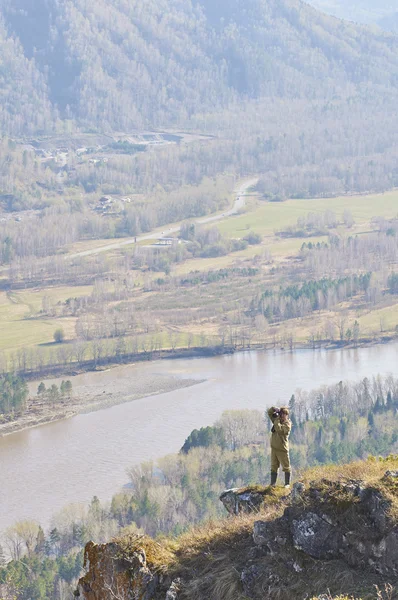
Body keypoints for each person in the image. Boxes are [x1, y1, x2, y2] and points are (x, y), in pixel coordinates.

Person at [267, 406, 292, 488]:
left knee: (286, 467)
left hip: (282, 449)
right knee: (274, 466)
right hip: (274, 448)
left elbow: (280, 430)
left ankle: (287, 483)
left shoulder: (287, 424)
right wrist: (274, 409)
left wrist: (277, 419)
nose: (284, 416)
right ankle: (272, 484)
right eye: (282, 414)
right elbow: (269, 413)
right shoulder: (276, 421)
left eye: (285, 414)